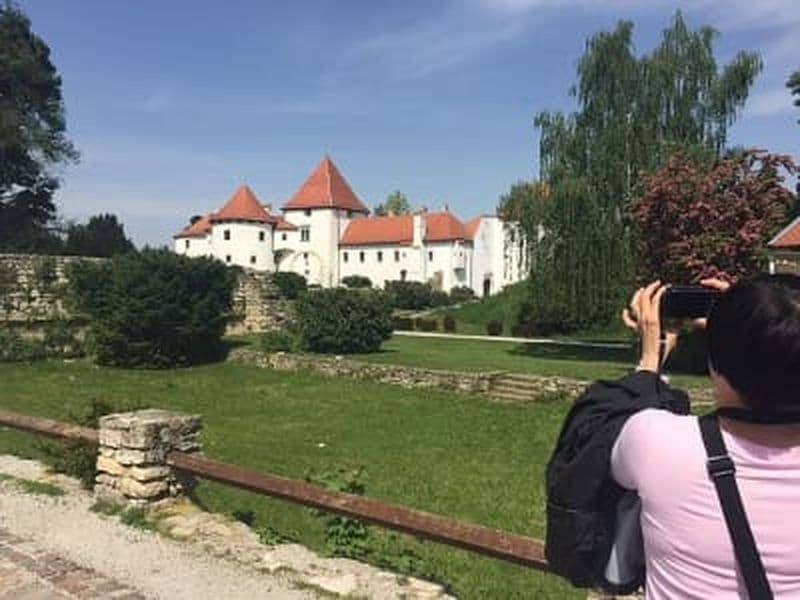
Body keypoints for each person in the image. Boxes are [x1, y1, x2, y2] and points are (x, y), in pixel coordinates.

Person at [545, 274, 800, 599]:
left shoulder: (658, 444)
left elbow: (597, 434)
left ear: (714, 364)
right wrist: (768, 322)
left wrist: (650, 360)